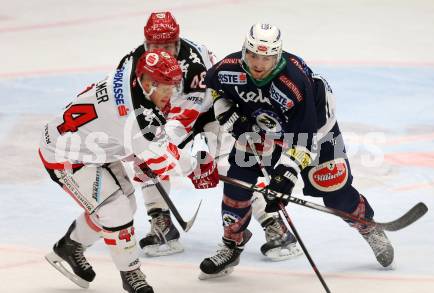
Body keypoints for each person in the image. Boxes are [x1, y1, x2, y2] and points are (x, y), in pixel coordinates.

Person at [199, 23, 394, 279]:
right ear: (244, 50)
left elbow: (306, 141)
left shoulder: (294, 82)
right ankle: (231, 243)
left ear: (277, 56)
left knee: (334, 193)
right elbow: (213, 88)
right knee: (238, 181)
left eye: (266, 58)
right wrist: (225, 109)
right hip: (261, 129)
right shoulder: (229, 67)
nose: (258, 64)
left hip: (316, 131)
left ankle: (367, 226)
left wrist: (284, 178)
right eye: (253, 55)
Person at [119, 11, 301, 261]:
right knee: (146, 161)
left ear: (177, 40)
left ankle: (274, 224)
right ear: (146, 42)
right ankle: (161, 222)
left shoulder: (193, 61)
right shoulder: (134, 61)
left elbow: (190, 111)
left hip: (211, 113)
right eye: (155, 45)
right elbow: (128, 100)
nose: (162, 50)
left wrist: (163, 145)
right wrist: (145, 143)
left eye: (168, 45)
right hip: (166, 114)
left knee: (231, 166)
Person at [39, 49, 218, 293]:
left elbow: (134, 136)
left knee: (125, 206)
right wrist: (197, 167)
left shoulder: (131, 74)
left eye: (174, 86)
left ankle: (70, 246)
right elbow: (164, 158)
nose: (172, 93)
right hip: (66, 155)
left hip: (92, 144)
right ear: (149, 83)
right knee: (116, 211)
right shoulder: (137, 117)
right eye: (166, 87)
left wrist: (138, 151)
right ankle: (131, 274)